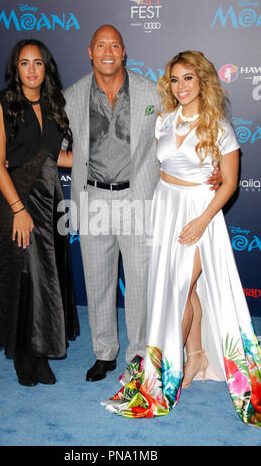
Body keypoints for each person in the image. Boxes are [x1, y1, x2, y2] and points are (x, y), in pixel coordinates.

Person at [102, 51, 261, 428]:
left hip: (200, 213)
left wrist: (203, 219)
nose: (181, 86)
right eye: (175, 80)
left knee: (181, 285)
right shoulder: (164, 120)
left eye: (188, 78)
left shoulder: (219, 127)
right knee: (186, 291)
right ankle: (197, 355)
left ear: (202, 80)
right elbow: (156, 165)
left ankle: (167, 371)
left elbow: (231, 182)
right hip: (165, 206)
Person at [63, 26, 220, 382]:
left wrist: (215, 169)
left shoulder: (154, 92)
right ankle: (104, 353)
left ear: (124, 52)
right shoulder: (70, 96)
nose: (107, 51)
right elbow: (47, 140)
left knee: (139, 284)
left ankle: (138, 354)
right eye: (100, 45)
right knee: (98, 281)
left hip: (139, 199)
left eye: (114, 45)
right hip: (92, 200)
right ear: (90, 52)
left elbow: (191, 126)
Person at [0, 39, 79, 387]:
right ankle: (23, 355)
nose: (32, 70)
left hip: (50, 200)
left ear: (46, 68)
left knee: (45, 278)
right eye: (24, 63)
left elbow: (57, 157)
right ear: (14, 68)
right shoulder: (1, 106)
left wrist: (101, 164)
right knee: (24, 277)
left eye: (38, 63)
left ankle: (40, 351)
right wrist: (18, 208)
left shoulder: (53, 106)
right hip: (17, 200)